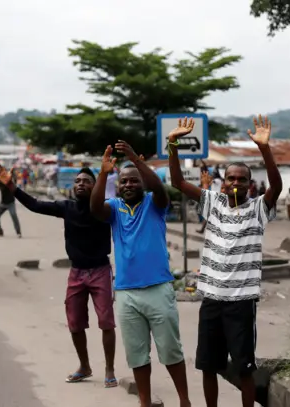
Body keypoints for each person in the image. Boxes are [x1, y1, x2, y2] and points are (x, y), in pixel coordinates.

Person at [167, 115, 282, 407]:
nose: (235, 183)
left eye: (241, 179)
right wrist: (172, 144)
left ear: (249, 185)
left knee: (244, 367)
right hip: (212, 300)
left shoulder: (258, 209)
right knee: (209, 365)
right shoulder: (213, 203)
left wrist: (265, 150)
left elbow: (276, 187)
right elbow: (179, 181)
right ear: (224, 181)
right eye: (230, 178)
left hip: (242, 303)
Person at [0, 164, 118, 387]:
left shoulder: (104, 209)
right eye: (78, 181)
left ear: (95, 186)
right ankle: (85, 366)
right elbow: (34, 205)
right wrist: (11, 185)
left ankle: (109, 368)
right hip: (76, 273)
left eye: (86, 182)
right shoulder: (66, 207)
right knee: (75, 324)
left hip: (100, 271)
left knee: (106, 322)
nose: (80, 184)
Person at [91, 141, 190, 407]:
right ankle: (144, 402)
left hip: (158, 288)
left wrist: (135, 160)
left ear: (142, 182)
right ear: (118, 186)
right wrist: (103, 174)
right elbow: (95, 209)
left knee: (170, 350)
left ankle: (184, 401)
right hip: (125, 292)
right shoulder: (114, 208)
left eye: (134, 181)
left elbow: (158, 188)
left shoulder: (154, 203)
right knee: (137, 355)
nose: (129, 185)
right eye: (123, 182)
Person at [0, 168, 22, 238]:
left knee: (14, 216)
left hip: (10, 203)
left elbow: (14, 185)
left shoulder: (10, 181)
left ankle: (18, 232)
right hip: (3, 203)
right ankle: (0, 231)